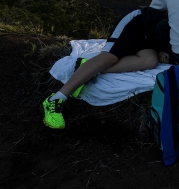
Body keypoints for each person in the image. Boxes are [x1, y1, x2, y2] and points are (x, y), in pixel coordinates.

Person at [42, 7, 170, 129]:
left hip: (151, 35)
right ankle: (55, 99)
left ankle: (91, 69)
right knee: (109, 58)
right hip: (138, 22)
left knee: (150, 60)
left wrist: (161, 49)